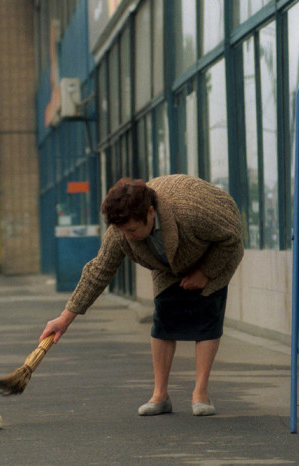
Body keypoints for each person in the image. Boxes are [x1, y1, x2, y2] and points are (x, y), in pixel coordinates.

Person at [40, 174, 244, 416]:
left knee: (208, 314)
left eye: (132, 230)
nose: (127, 236)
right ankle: (160, 396)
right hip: (165, 261)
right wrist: (65, 319)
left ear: (150, 213)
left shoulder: (192, 212)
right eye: (122, 230)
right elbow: (99, 271)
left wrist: (205, 273)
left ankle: (201, 394)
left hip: (211, 249)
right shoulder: (121, 230)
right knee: (163, 319)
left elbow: (232, 241)